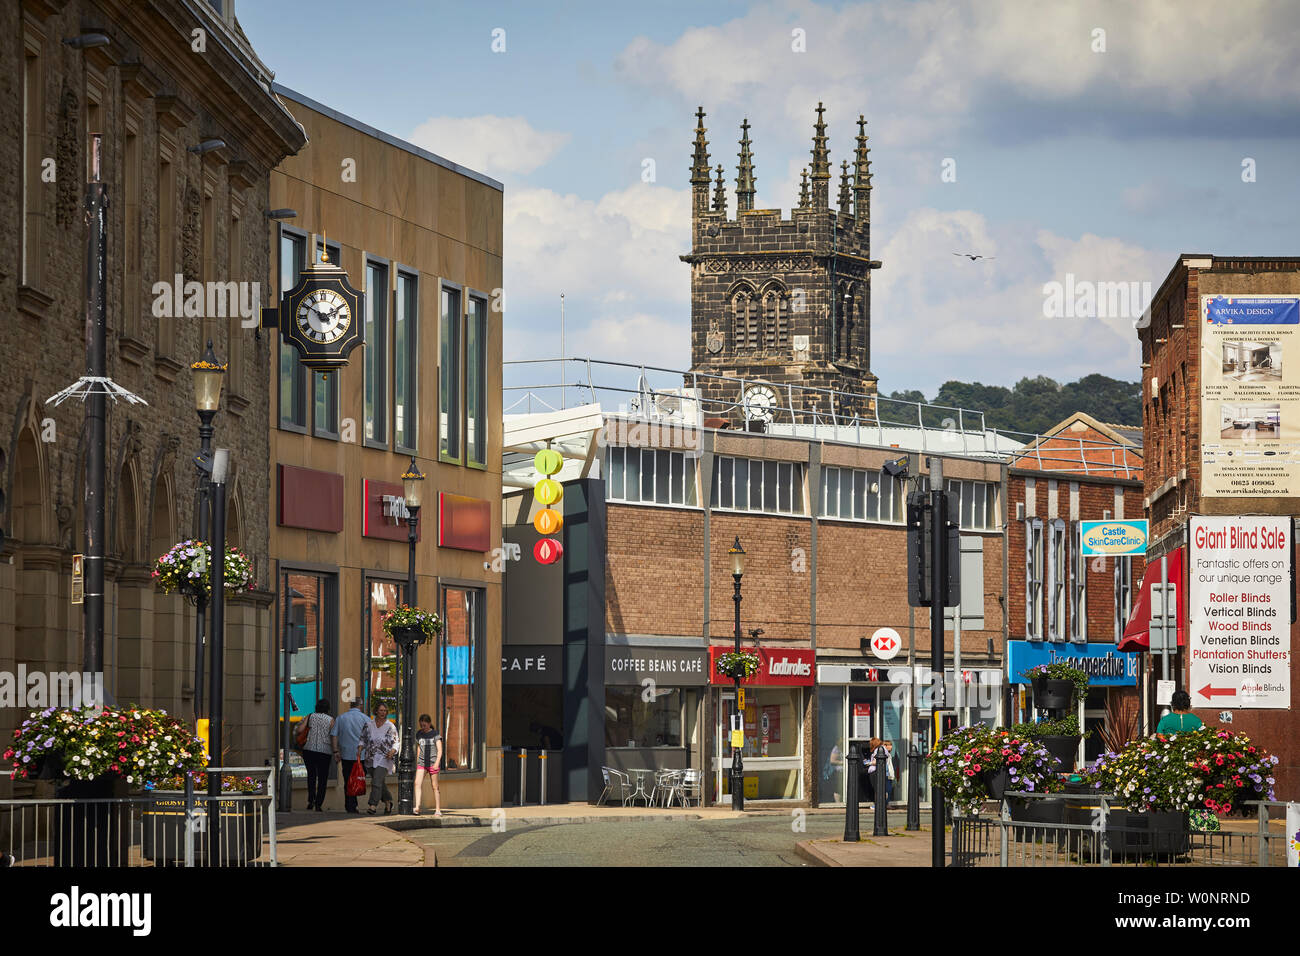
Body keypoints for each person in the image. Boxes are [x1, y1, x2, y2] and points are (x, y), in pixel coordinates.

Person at [331, 698, 370, 814]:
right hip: (361, 756)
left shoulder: (341, 718)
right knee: (358, 778)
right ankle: (353, 804)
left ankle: (350, 805)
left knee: (348, 780)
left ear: (351, 705)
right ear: (361, 706)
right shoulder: (366, 719)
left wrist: (335, 751)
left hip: (346, 755)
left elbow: (334, 735)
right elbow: (370, 737)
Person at [359, 701, 398, 814]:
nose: (383, 712)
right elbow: (362, 739)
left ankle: (373, 805)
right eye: (381, 710)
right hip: (370, 758)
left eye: (385, 711)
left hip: (384, 758)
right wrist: (360, 749)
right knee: (379, 782)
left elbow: (396, 742)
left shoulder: (390, 726)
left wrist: (392, 751)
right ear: (376, 711)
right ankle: (388, 802)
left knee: (376, 781)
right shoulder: (369, 725)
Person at [300, 699, 335, 811]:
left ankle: (311, 800)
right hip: (324, 751)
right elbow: (333, 735)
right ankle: (318, 803)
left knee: (311, 776)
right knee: (322, 778)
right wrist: (336, 750)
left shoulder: (310, 716)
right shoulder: (330, 720)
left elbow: (300, 729)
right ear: (327, 708)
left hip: (309, 749)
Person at [413, 713, 443, 817]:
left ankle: (438, 809)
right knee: (417, 783)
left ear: (429, 724)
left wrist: (437, 762)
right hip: (422, 763)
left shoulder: (435, 734)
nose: (423, 727)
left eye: (424, 725)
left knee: (435, 786)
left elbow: (440, 750)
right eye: (421, 725)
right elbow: (419, 747)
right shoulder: (419, 734)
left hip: (432, 762)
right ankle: (417, 807)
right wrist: (418, 760)